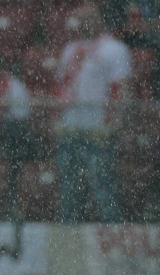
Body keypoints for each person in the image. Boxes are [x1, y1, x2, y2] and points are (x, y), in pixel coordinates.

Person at [54, 2, 131, 224]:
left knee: (102, 186)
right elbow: (61, 88)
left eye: (89, 17)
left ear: (100, 19)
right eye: (81, 18)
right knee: (68, 189)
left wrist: (109, 125)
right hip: (70, 129)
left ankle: (113, 232)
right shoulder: (70, 49)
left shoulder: (114, 49)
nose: (84, 22)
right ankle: (69, 236)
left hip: (98, 131)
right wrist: (57, 120)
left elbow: (119, 91)